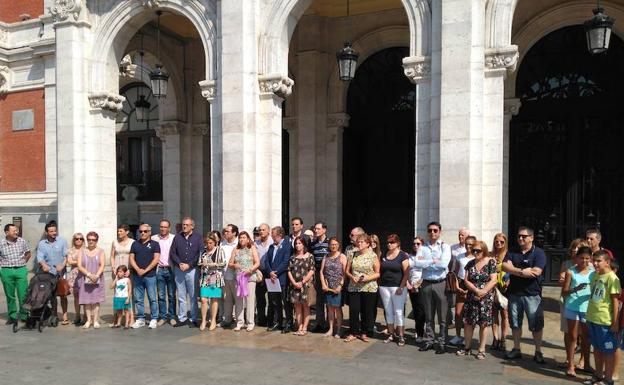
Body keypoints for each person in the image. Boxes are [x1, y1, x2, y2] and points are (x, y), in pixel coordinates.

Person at [502, 226, 547, 363]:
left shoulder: (539, 253)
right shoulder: (512, 251)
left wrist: (513, 269)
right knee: (515, 323)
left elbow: (536, 272)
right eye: (519, 236)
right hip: (514, 293)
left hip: (532, 294)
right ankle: (516, 349)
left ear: (531, 238)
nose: (520, 238)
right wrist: (522, 272)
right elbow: (504, 266)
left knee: (536, 324)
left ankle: (538, 351)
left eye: (524, 236)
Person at [456, 240, 497, 360]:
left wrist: (483, 292)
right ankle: (467, 348)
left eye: (478, 250)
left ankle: (481, 349)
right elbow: (466, 279)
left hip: (486, 297)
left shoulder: (491, 262)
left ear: (483, 250)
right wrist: (475, 290)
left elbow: (493, 280)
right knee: (468, 322)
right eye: (473, 250)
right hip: (472, 296)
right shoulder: (470, 263)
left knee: (483, 324)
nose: (475, 252)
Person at [585, 250, 620, 385]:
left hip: (605, 320)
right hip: (593, 317)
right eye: (594, 261)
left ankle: (608, 379)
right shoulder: (595, 275)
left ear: (607, 262)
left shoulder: (612, 278)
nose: (595, 263)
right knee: (597, 348)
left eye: (598, 261)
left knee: (608, 350)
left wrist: (615, 322)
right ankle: (598, 375)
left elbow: (615, 301)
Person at [415, 221, 452, 354]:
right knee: (429, 316)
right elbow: (417, 263)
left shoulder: (445, 247)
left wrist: (427, 263)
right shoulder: (422, 247)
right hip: (426, 283)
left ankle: (442, 342)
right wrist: (432, 261)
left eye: (435, 230)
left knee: (442, 317)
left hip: (440, 283)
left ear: (440, 231)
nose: (432, 233)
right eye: (430, 230)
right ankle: (429, 341)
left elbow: (443, 264)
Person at [561, 246, 594, 377]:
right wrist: (576, 289)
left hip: (587, 308)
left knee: (586, 337)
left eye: (587, 258)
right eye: (582, 258)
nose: (584, 261)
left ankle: (586, 363)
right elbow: (564, 292)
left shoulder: (594, 272)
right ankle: (570, 365)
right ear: (576, 258)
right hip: (572, 307)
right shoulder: (571, 272)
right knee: (573, 336)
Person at [344, 234, 380, 343]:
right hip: (354, 287)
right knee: (354, 309)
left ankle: (364, 332)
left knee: (366, 310)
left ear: (368, 244)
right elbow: (346, 271)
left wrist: (367, 278)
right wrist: (352, 277)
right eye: (358, 242)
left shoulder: (373, 256)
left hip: (368, 287)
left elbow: (378, 273)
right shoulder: (352, 254)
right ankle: (353, 332)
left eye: (362, 242)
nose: (359, 244)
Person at [170, 217, 202, 327]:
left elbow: (200, 253)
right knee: (181, 295)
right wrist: (179, 263)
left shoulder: (198, 237)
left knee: (193, 295)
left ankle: (193, 318)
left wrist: (189, 264)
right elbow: (173, 252)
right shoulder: (177, 237)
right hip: (179, 269)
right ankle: (182, 318)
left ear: (192, 226)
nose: (184, 226)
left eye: (186, 225)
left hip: (192, 270)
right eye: (183, 224)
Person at [379, 234, 410, 346]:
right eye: (388, 242)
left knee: (398, 311)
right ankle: (391, 334)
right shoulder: (384, 254)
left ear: (397, 243)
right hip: (384, 287)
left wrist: (402, 287)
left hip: (397, 287)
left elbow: (407, 272)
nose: (389, 244)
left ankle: (401, 336)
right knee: (388, 311)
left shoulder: (403, 255)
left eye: (392, 242)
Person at [36, 221, 69, 325]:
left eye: (55, 231)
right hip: (48, 273)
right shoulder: (42, 243)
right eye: (51, 231)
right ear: (46, 232)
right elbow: (40, 257)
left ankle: (65, 315)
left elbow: (66, 256)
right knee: (51, 295)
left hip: (60, 272)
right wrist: (43, 264)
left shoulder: (62, 241)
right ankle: (53, 314)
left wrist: (62, 265)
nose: (54, 233)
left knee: (63, 294)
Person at [129, 224, 160, 329]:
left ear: (150, 232)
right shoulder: (135, 244)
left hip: (150, 275)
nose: (142, 233)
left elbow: (156, 259)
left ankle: (154, 318)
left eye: (145, 231)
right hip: (137, 275)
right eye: (141, 231)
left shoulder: (155, 244)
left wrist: (145, 270)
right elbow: (132, 258)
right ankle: (141, 318)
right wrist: (138, 269)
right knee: (139, 299)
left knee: (152, 298)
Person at [0, 223, 31, 325]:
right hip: (6, 271)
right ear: (7, 232)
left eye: (17, 230)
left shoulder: (22, 241)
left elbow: (28, 253)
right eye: (14, 230)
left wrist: (22, 264)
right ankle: (12, 316)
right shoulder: (1, 243)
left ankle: (24, 315)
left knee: (23, 294)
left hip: (21, 270)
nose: (16, 232)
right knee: (10, 295)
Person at [229, 231, 260, 332]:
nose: (242, 239)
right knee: (239, 300)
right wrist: (234, 265)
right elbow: (230, 263)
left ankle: (250, 322)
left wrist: (250, 269)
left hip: (250, 277)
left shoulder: (252, 248)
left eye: (244, 237)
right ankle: (240, 322)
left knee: (250, 300)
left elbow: (257, 262)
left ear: (248, 239)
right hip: (238, 277)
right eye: (240, 237)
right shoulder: (236, 249)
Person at [449, 235, 476, 346]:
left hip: (472, 285)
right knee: (458, 313)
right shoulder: (460, 256)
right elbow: (455, 271)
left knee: (469, 313)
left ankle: (467, 337)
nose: (468, 246)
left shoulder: (476, 257)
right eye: (466, 244)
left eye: (470, 244)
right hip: (460, 285)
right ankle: (458, 336)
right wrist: (456, 285)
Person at [265, 226, 294, 333]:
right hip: (272, 278)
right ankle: (278, 322)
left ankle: (289, 323)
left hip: (282, 278)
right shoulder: (271, 247)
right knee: (275, 301)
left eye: (274, 235)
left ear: (280, 235)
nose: (272, 237)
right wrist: (270, 272)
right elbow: (267, 261)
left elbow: (286, 262)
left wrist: (275, 272)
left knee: (286, 302)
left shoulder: (287, 246)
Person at [77, 231, 106, 329]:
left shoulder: (101, 251)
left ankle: (95, 320)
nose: (91, 241)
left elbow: (102, 265)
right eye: (89, 239)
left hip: (97, 278)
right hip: (85, 278)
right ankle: (88, 320)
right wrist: (89, 274)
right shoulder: (82, 251)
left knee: (96, 300)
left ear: (97, 240)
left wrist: (96, 276)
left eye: (93, 240)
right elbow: (79, 265)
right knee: (87, 301)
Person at [288, 237, 315, 336]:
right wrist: (294, 282)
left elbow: (312, 270)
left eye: (299, 243)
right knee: (297, 306)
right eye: (296, 243)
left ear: (303, 244)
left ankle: (305, 327)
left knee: (306, 306)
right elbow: (289, 270)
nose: (297, 245)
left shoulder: (310, 256)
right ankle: (299, 326)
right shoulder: (292, 257)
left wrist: (303, 282)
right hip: (295, 285)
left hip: (305, 285)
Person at [320, 237, 347, 338]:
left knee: (337, 309)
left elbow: (345, 273)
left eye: (335, 244)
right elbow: (321, 272)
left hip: (338, 287)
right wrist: (323, 284)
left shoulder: (342, 257)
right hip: (328, 286)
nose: (333, 246)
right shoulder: (326, 256)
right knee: (330, 309)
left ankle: (339, 330)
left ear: (338, 245)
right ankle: (331, 329)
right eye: (331, 244)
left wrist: (340, 285)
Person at [199, 233, 226, 331]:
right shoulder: (203, 251)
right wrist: (202, 264)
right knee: (203, 299)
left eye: (211, 243)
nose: (209, 245)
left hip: (215, 276)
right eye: (207, 243)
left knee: (214, 299)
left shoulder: (219, 250)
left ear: (215, 242)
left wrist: (214, 264)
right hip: (205, 277)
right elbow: (199, 262)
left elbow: (223, 263)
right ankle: (203, 320)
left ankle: (213, 320)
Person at [152, 219, 176, 326]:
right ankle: (162, 317)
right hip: (159, 269)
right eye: (161, 226)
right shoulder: (154, 238)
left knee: (171, 295)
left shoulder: (174, 238)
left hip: (171, 269)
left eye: (165, 227)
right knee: (161, 295)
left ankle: (172, 316)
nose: (163, 229)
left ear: (169, 228)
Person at [110, 224, 135, 325]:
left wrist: (130, 269)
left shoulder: (133, 242)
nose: (119, 233)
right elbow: (112, 256)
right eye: (118, 231)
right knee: (117, 293)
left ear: (127, 232)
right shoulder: (115, 242)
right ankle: (116, 317)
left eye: (121, 231)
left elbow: (134, 256)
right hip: (117, 268)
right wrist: (113, 267)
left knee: (128, 292)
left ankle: (131, 317)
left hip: (128, 268)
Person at [491, 232, 511, 352]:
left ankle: (503, 339)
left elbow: (513, 270)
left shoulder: (509, 255)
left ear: (505, 243)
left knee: (504, 314)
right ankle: (495, 338)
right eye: (496, 241)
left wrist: (509, 279)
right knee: (494, 314)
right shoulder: (490, 254)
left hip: (504, 288)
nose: (499, 243)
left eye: (501, 242)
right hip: (492, 287)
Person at [450, 228, 470, 330]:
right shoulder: (453, 247)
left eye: (462, 235)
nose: (460, 236)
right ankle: (455, 322)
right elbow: (450, 263)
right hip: (456, 277)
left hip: (469, 281)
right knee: (455, 303)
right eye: (459, 235)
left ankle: (466, 327)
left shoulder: (471, 248)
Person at [311, 221, 330, 332]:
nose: (316, 231)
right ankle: (320, 323)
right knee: (319, 300)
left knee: (328, 299)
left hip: (328, 274)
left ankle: (329, 324)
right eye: (315, 229)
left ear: (324, 230)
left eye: (318, 229)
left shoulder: (329, 242)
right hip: (317, 273)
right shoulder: (313, 244)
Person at [220, 224, 239, 328]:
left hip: (236, 277)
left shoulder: (238, 244)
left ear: (234, 233)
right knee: (227, 299)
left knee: (238, 300)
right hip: (224, 276)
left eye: (228, 231)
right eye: (225, 231)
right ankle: (227, 319)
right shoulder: (222, 244)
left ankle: (238, 320)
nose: (225, 233)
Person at [407, 236, 426, 341]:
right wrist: (408, 283)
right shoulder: (409, 256)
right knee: (416, 309)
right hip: (411, 286)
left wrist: (418, 284)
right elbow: (406, 272)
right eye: (414, 244)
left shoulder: (424, 257)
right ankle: (419, 331)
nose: (415, 245)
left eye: (418, 244)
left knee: (422, 310)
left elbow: (426, 271)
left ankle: (422, 333)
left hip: (421, 285)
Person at [66, 233, 87, 326]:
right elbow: (69, 261)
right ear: (73, 240)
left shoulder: (86, 250)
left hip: (84, 273)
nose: (79, 240)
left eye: (81, 239)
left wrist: (77, 262)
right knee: (76, 297)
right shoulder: (71, 250)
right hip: (74, 274)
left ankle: (86, 316)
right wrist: (80, 262)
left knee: (85, 296)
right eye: (76, 239)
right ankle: (77, 315)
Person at [255, 223, 273, 327]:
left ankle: (271, 320)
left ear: (268, 231)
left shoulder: (272, 242)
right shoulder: (255, 243)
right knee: (260, 298)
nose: (261, 232)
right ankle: (261, 319)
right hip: (260, 273)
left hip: (270, 273)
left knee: (272, 298)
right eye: (260, 230)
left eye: (263, 230)